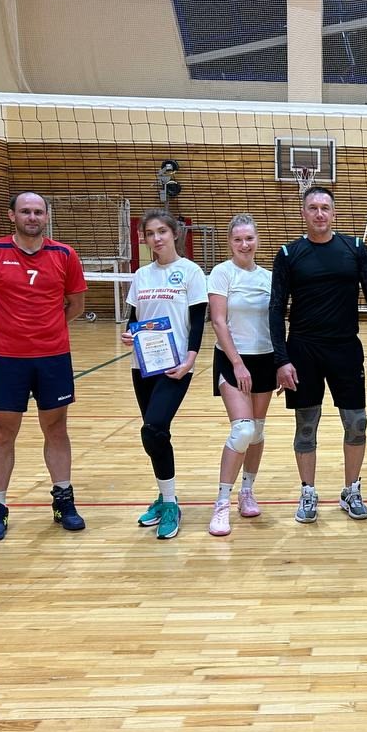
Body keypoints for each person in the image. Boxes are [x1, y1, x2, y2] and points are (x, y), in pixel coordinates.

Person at [0, 191, 88, 543]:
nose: (32, 217)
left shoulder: (64, 254)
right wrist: (8, 329)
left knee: (56, 429)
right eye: (25, 211)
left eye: (38, 212)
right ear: (12, 216)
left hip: (53, 357)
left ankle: (63, 500)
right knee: (2, 433)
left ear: (46, 217)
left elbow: (76, 304)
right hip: (7, 359)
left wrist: (46, 329)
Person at [270, 186, 367, 524]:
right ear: (303, 213)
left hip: (345, 348)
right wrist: (281, 359)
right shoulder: (288, 254)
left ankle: (352, 490)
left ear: (334, 213)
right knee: (306, 426)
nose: (319, 213)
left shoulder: (355, 248)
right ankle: (308, 491)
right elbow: (276, 309)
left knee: (357, 423)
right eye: (313, 208)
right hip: (303, 349)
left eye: (325, 207)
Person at [125, 210, 208, 540]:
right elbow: (134, 318)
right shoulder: (142, 275)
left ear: (175, 233)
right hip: (142, 365)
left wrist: (190, 360)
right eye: (150, 233)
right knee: (156, 434)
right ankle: (164, 495)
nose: (156, 238)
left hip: (176, 366)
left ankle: (171, 504)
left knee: (153, 428)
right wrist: (129, 334)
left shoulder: (190, 272)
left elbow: (198, 322)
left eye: (161, 231)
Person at [206, 214, 276, 536]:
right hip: (233, 359)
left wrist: (282, 363)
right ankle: (222, 502)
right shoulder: (222, 273)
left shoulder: (269, 277)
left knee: (257, 431)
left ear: (257, 240)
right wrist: (237, 363)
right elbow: (218, 321)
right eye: (238, 239)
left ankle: (247, 491)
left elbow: (276, 321)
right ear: (230, 243)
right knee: (243, 430)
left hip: (265, 359)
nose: (244, 244)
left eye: (249, 238)